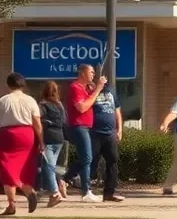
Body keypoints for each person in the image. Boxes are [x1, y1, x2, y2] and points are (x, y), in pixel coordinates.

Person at [0, 73, 42, 216]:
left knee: (7, 168)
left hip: (8, 135)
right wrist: (41, 141)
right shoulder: (30, 100)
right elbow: (37, 122)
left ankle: (13, 203)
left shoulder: (3, 101)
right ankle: (28, 189)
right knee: (25, 167)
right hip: (27, 134)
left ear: (9, 84)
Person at [63, 63, 106, 203]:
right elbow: (82, 107)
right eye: (91, 72)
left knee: (85, 158)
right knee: (87, 158)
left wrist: (96, 89)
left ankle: (66, 180)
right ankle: (84, 190)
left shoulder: (85, 89)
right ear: (82, 73)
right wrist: (97, 89)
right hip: (78, 126)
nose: (93, 75)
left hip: (87, 126)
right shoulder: (75, 87)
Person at [89, 74, 123, 202]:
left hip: (109, 134)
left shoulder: (111, 92)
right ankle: (86, 190)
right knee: (92, 161)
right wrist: (96, 88)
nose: (104, 81)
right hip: (94, 133)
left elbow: (117, 111)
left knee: (113, 161)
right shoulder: (91, 91)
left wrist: (119, 129)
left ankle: (109, 192)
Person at [37, 81, 67, 207]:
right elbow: (64, 120)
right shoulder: (59, 105)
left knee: (48, 166)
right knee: (52, 166)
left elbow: (38, 122)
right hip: (59, 138)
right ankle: (56, 190)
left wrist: (40, 141)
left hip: (48, 137)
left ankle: (55, 194)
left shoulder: (43, 104)